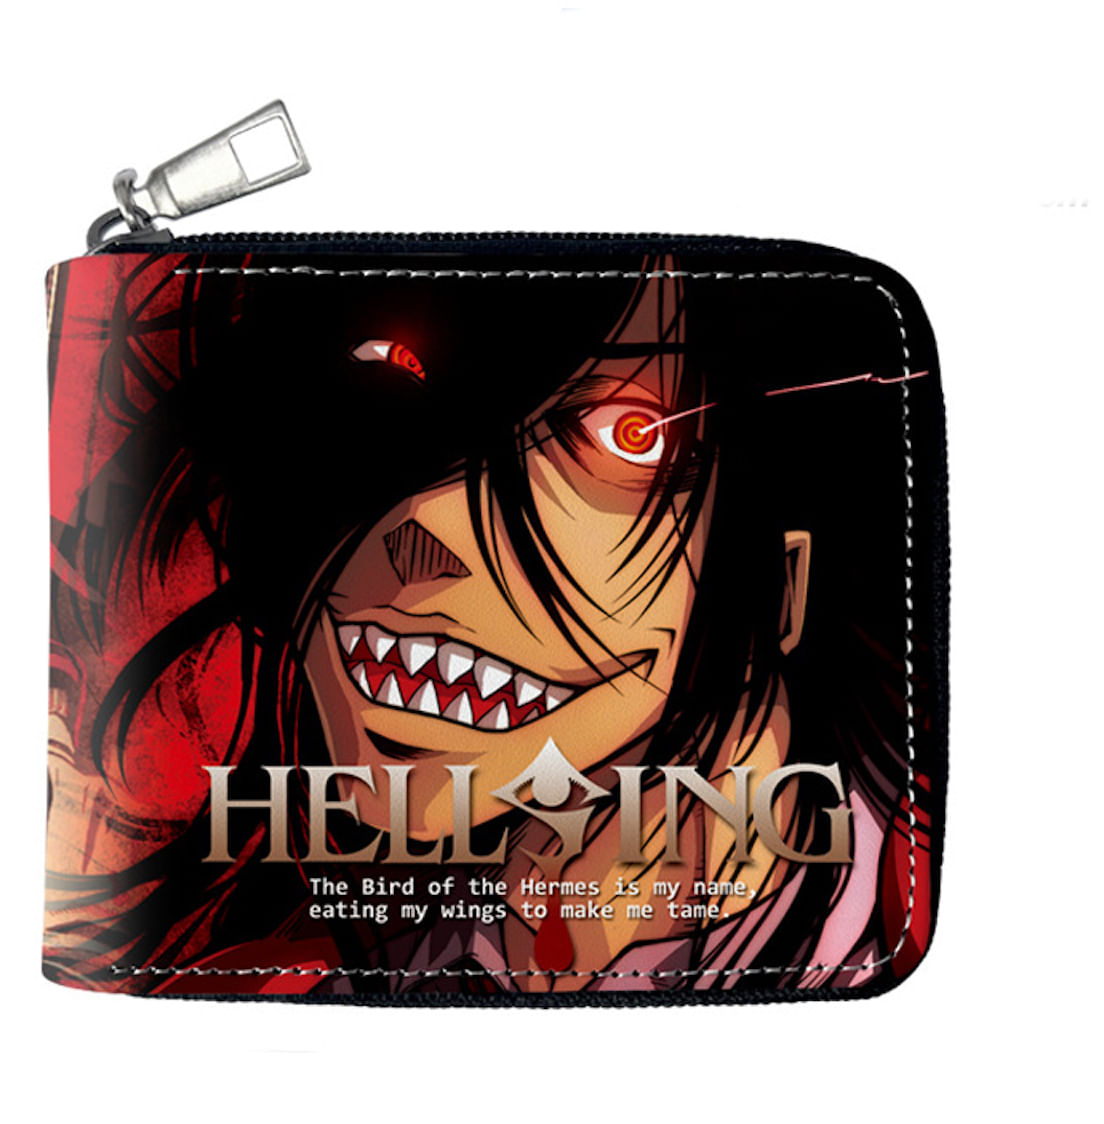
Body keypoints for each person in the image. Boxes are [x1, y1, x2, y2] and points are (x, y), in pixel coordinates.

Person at [45, 247, 931, 997]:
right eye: (380, 379)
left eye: (627, 434)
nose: (429, 532)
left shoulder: (879, 896)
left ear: (780, 585)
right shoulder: (303, 951)